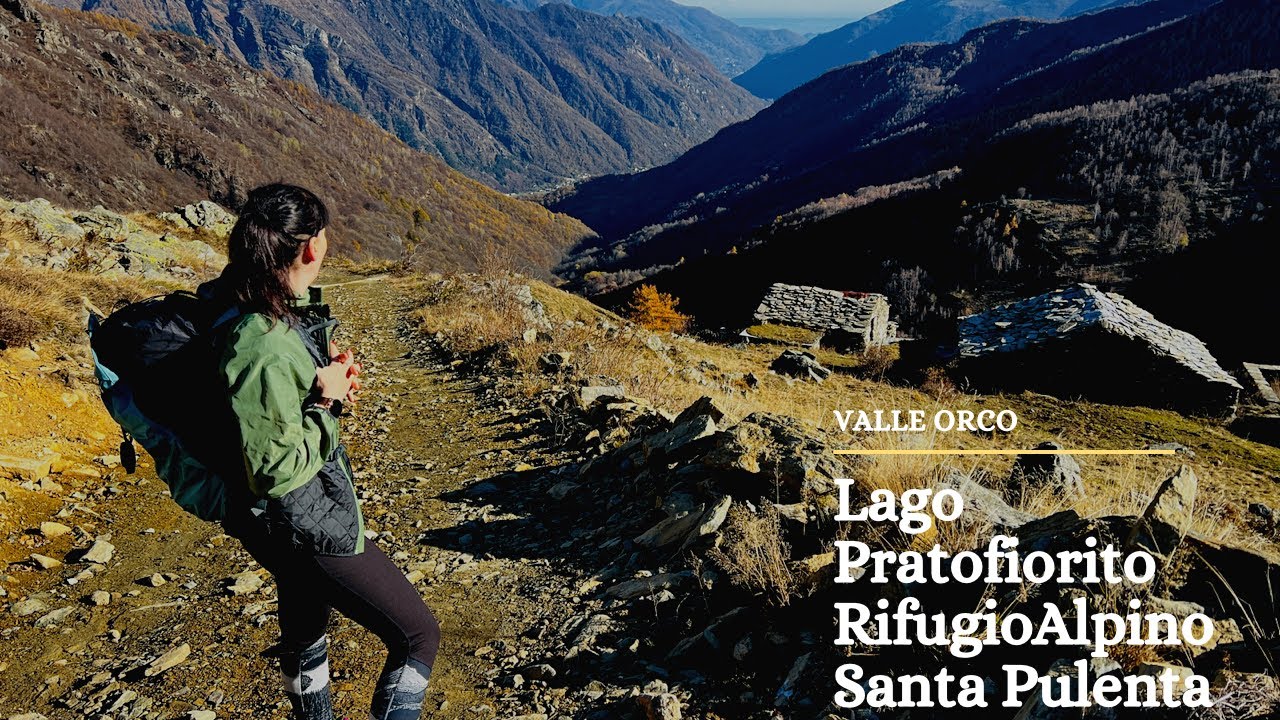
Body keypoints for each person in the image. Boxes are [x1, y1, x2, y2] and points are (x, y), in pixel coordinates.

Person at [205, 183, 441, 720]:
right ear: (313, 247)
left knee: (306, 620)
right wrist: (328, 405)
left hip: (270, 519)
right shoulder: (262, 340)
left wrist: (320, 378)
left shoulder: (248, 301)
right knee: (417, 636)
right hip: (299, 517)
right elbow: (275, 469)